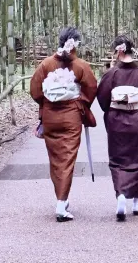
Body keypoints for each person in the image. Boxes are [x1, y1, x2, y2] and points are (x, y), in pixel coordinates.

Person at [30, 27, 97, 222]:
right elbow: (91, 88)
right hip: (71, 117)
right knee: (67, 159)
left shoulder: (46, 64)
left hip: (50, 116)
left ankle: (61, 198)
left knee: (56, 159)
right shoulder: (81, 65)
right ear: (76, 44)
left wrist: (47, 102)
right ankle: (61, 204)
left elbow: (35, 90)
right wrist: (80, 103)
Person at [97, 35, 138, 221]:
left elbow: (102, 98)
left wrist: (111, 112)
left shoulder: (112, 74)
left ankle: (121, 196)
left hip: (116, 121)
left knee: (117, 159)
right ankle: (137, 202)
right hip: (137, 121)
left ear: (119, 51)